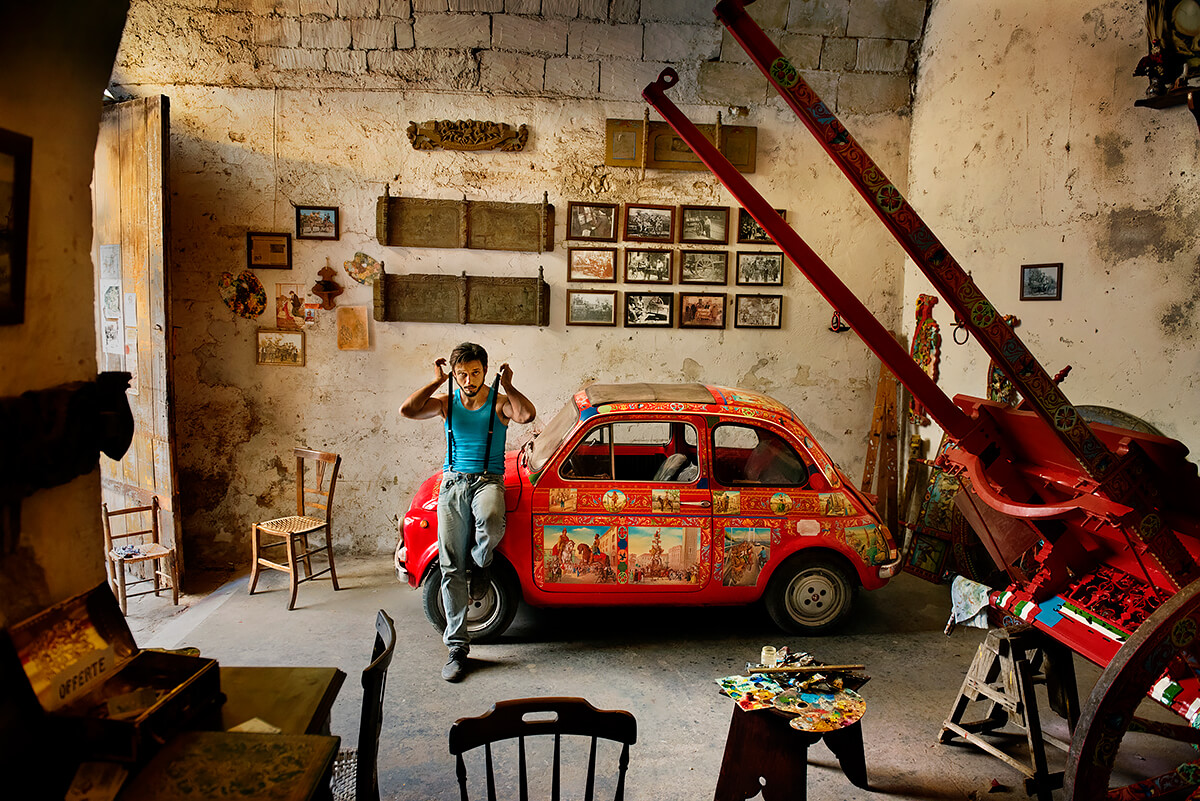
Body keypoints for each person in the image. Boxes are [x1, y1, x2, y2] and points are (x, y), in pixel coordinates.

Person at [399, 342, 536, 682]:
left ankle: (482, 561)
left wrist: (509, 385)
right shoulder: (446, 402)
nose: (469, 379)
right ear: (455, 374)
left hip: (489, 480)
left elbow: (527, 415)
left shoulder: (500, 403)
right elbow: (408, 410)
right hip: (453, 484)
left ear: (484, 371)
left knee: (490, 520)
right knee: (449, 566)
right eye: (462, 374)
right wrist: (436, 381)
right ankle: (457, 647)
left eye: (475, 372)